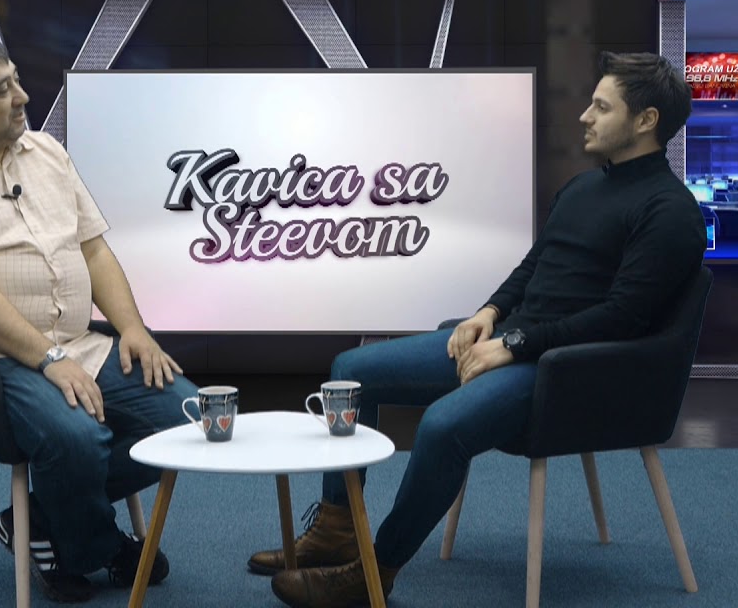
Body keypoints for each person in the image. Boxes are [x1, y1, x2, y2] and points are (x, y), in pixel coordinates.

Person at [253, 52, 707, 608]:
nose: (585, 116)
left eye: (601, 106)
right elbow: (534, 267)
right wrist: (489, 313)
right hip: (516, 343)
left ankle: (372, 572)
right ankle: (337, 530)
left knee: (443, 426)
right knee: (350, 372)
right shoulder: (582, 189)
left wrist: (515, 345)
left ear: (646, 121)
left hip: (570, 371)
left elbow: (622, 318)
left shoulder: (671, 212)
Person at [0, 34, 199, 603]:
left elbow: (94, 251)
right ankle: (96, 548)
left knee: (191, 419)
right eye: (1, 90)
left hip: (77, 344)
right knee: (75, 437)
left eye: (16, 79)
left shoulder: (48, 153)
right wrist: (50, 359)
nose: (22, 97)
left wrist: (132, 328)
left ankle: (37, 520)